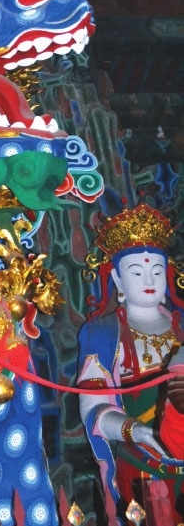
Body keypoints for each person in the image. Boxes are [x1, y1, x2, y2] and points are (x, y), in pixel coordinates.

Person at [77, 204, 184, 503]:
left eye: (157, 271)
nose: (149, 281)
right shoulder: (102, 333)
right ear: (118, 280)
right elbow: (93, 409)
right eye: (137, 272)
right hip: (144, 467)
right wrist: (134, 430)